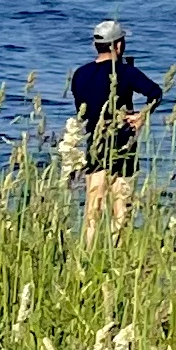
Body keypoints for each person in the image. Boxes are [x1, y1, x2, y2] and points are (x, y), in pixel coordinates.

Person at [69, 18, 165, 234]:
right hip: (123, 142)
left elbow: (82, 110)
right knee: (121, 207)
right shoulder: (126, 72)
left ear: (96, 45)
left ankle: (87, 255)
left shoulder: (80, 74)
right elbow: (156, 93)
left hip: (94, 141)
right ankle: (118, 252)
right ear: (119, 45)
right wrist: (141, 116)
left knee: (93, 208)